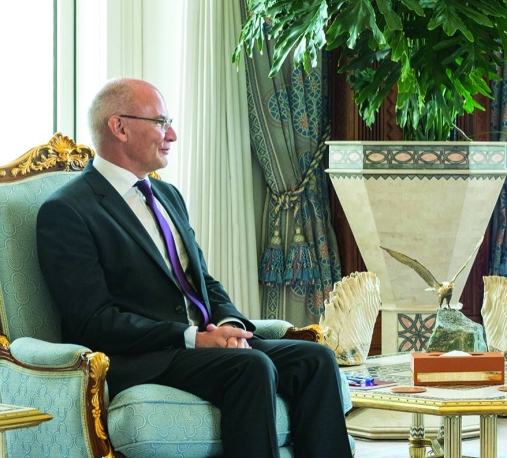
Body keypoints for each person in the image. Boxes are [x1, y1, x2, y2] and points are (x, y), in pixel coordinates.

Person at [36, 77, 352, 458]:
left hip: (204, 346)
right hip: (143, 358)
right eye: (160, 122)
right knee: (251, 367)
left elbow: (203, 282)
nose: (171, 134)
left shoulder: (167, 195)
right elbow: (95, 322)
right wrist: (192, 338)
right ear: (119, 127)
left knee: (316, 360)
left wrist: (230, 325)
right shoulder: (67, 211)